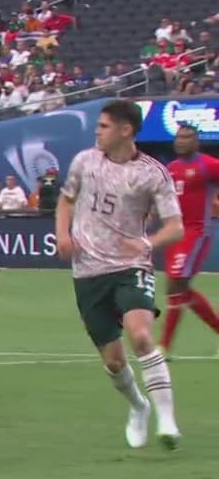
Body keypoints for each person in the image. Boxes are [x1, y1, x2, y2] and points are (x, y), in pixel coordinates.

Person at [56, 99, 182, 449]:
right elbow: (66, 199)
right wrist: (63, 234)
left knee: (140, 335)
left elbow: (175, 227)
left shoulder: (152, 173)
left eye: (104, 126)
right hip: (87, 271)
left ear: (125, 130)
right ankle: (138, 407)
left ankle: (167, 421)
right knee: (113, 361)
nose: (97, 131)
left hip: (130, 268)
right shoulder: (85, 161)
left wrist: (147, 244)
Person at [161, 124, 219, 356]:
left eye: (187, 137)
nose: (181, 141)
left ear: (196, 142)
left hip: (196, 232)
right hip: (174, 233)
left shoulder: (207, 165)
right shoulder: (171, 168)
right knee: (176, 288)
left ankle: (164, 346)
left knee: (177, 284)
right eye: (179, 137)